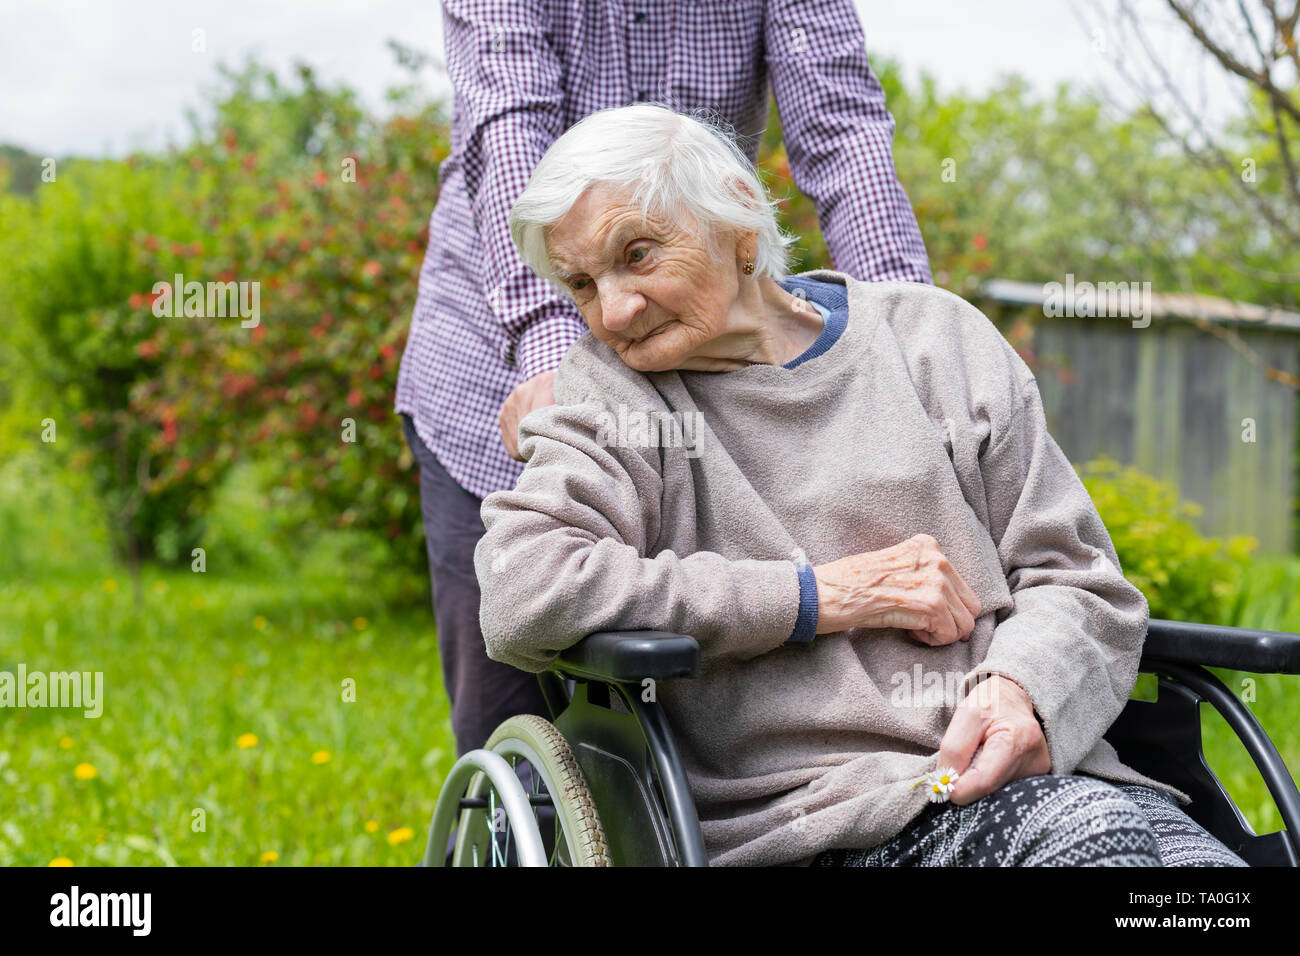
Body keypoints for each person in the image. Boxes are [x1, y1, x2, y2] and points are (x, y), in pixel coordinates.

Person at [471, 102, 1248, 867]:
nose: (614, 310)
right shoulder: (611, 396)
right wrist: (817, 596)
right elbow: (523, 586)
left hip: (1050, 781)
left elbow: (1077, 581)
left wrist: (1023, 690)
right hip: (829, 821)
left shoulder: (934, 340)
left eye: (636, 254)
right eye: (581, 284)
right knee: (1093, 843)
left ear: (739, 218)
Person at [395, 0, 930, 765]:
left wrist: (907, 336)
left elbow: (842, 130)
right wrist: (554, 356)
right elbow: (508, 124)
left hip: (706, 356)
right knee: (514, 712)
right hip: (497, 344)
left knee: (724, 688)